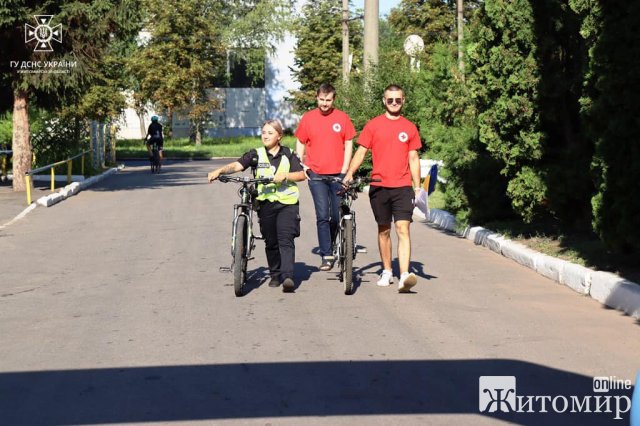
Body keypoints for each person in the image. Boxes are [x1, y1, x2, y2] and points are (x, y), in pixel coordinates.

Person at [207, 119, 306, 293]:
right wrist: (220, 171)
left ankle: (288, 276)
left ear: (279, 136)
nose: (265, 136)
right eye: (263, 132)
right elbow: (237, 165)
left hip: (287, 203)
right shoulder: (256, 154)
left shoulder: (289, 154)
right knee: (271, 240)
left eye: (270, 132)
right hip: (265, 203)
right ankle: (275, 274)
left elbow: (300, 175)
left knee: (285, 238)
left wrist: (285, 176)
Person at [343, 84, 422, 293]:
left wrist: (417, 186)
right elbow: (361, 152)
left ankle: (404, 275)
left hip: (403, 186)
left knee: (403, 228)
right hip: (379, 187)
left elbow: (413, 157)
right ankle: (387, 270)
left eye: (397, 100)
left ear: (403, 100)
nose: (394, 103)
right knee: (384, 230)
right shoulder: (373, 125)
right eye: (390, 100)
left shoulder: (410, 127)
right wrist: (349, 173)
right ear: (384, 101)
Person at [295, 83, 356, 271]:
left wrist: (345, 170)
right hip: (317, 175)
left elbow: (349, 141)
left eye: (328, 100)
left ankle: (332, 242)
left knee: (336, 216)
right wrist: (302, 165)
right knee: (322, 215)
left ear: (334, 99)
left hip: (338, 174)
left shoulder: (342, 118)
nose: (324, 103)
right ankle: (326, 254)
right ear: (317, 98)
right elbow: (300, 141)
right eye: (321, 99)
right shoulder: (308, 118)